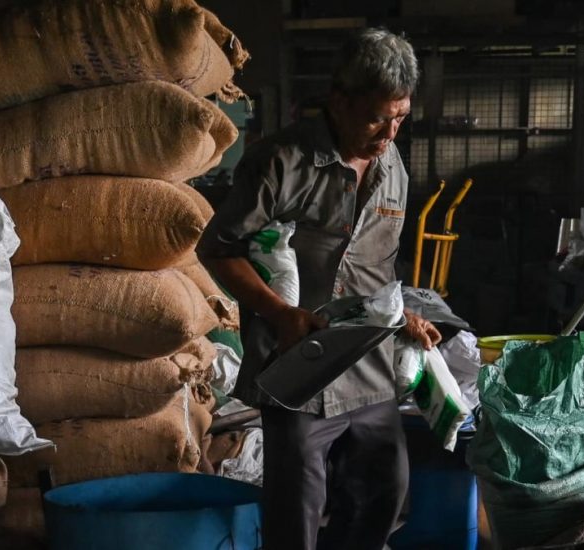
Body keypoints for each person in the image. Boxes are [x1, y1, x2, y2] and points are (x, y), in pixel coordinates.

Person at [196, 27, 442, 550]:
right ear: (338, 100)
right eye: (377, 116)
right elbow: (217, 249)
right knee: (298, 511)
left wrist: (404, 319)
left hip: (368, 362)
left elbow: (380, 265)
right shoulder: (280, 162)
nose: (388, 133)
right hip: (298, 368)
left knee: (386, 491)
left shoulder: (391, 163)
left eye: (399, 117)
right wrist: (280, 312)